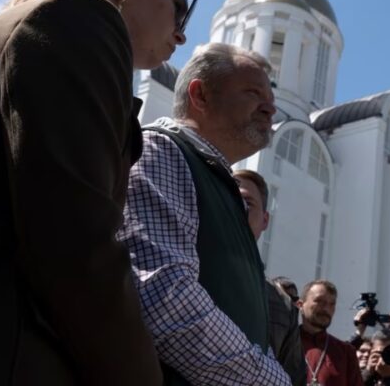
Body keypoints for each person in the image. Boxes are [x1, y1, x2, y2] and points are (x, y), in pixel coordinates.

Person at [0, 0, 191, 385]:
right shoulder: (82, 20)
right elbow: (74, 242)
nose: (181, 35)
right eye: (179, 8)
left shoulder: (24, 23)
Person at [118, 43, 290, 385]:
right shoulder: (163, 151)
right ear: (201, 95)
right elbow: (163, 297)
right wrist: (269, 379)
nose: (270, 108)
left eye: (270, 97)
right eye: (253, 92)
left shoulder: (217, 181)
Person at [233, 169, 307, 386]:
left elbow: (294, 377)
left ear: (265, 220)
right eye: (228, 199)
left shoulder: (282, 303)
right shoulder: (183, 271)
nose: (237, 208)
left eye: (247, 202)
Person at [298, 279, 364, 386]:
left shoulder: (346, 352)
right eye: (319, 301)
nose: (326, 309)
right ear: (300, 305)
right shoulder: (284, 343)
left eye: (332, 304)